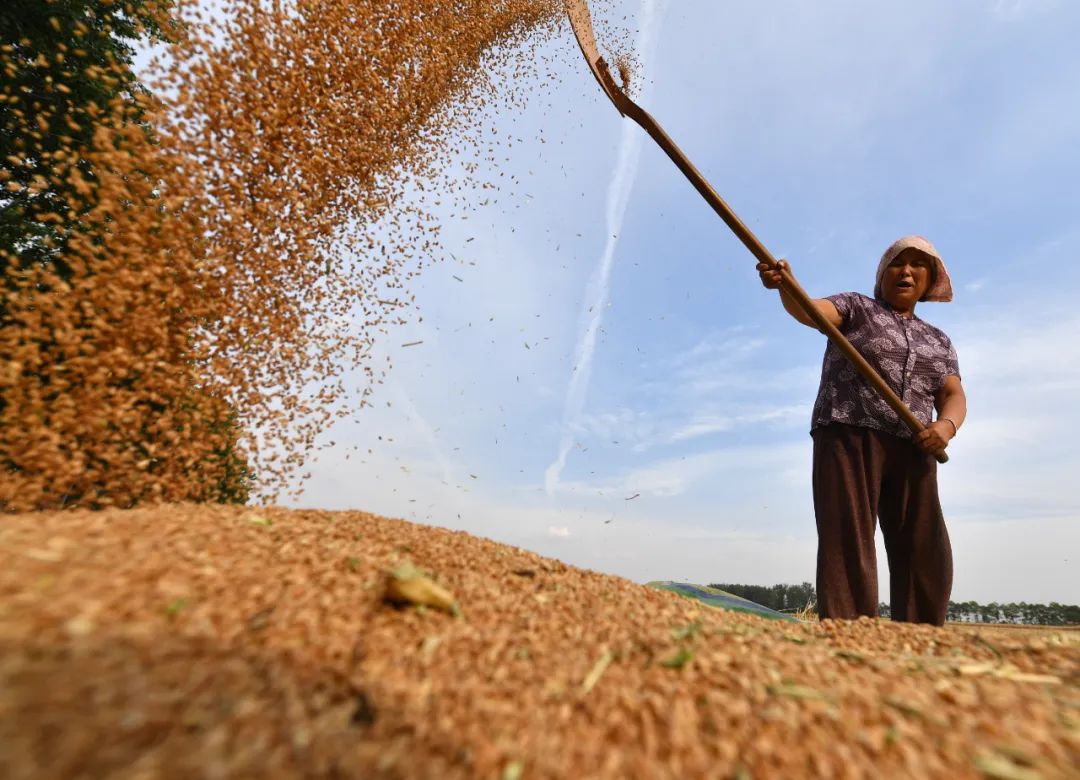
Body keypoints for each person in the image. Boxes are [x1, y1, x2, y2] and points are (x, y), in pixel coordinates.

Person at [757, 235, 967, 625]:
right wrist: (786, 285)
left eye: (917, 264)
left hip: (915, 443)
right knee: (848, 537)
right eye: (896, 263)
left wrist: (946, 426)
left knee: (924, 544)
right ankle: (851, 631)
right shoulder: (857, 307)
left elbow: (953, 394)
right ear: (882, 275)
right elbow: (811, 311)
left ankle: (920, 634)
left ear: (929, 279)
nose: (906, 270)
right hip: (848, 432)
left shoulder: (939, 340)